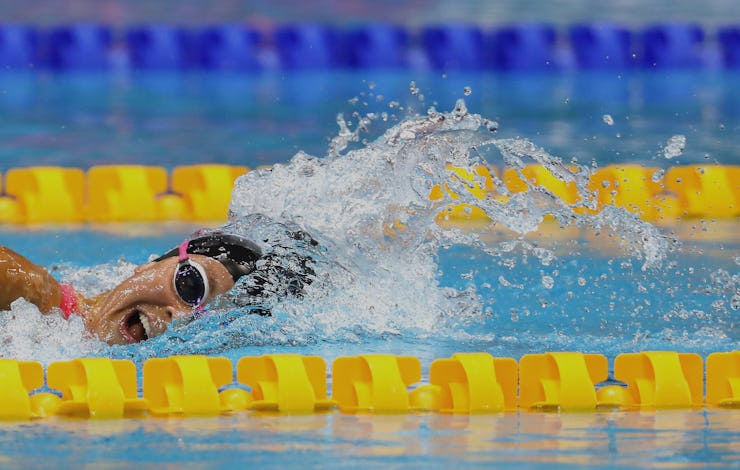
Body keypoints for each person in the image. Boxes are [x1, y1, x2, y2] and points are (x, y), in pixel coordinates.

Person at [0, 230, 315, 345]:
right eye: (190, 285)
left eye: (206, 318)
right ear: (153, 263)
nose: (177, 316)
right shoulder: (26, 291)